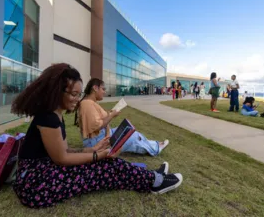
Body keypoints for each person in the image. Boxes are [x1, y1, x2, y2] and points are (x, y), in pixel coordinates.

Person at [11, 64, 182, 208]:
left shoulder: (56, 114)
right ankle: (153, 181)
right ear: (56, 91)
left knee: (107, 163)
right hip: (35, 184)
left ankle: (151, 176)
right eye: (73, 94)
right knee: (105, 167)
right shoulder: (47, 117)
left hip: (45, 171)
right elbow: (61, 159)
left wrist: (91, 149)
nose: (77, 99)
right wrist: (96, 155)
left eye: (78, 94)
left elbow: (65, 150)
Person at [78, 78, 169, 157]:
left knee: (129, 130)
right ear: (95, 88)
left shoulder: (91, 103)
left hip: (101, 136)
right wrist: (112, 115)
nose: (104, 92)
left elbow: (99, 119)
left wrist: (111, 114)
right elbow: (97, 125)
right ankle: (156, 148)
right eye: (103, 89)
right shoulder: (87, 103)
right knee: (132, 137)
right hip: (97, 142)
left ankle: (154, 144)